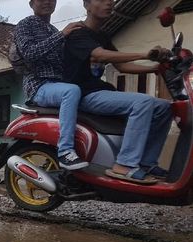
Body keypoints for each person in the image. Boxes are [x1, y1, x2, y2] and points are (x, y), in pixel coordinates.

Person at [64, 0, 173, 184]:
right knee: (143, 102)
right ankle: (124, 165)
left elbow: (122, 66)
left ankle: (146, 163)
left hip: (100, 91)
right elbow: (99, 55)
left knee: (164, 107)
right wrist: (144, 54)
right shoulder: (78, 33)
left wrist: (156, 68)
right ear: (87, 5)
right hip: (84, 94)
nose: (110, 3)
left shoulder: (102, 36)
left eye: (111, 0)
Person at [15, 0, 88, 170]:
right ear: (31, 3)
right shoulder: (25, 24)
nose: (47, 2)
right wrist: (62, 35)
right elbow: (29, 53)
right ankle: (65, 152)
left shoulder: (53, 30)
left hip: (59, 85)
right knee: (71, 91)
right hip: (39, 85)